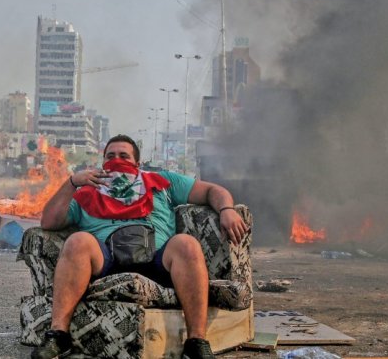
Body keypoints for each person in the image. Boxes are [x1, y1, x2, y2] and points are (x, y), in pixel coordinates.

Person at [32, 134, 248, 359]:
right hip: (106, 259)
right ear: (103, 161)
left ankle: (196, 341)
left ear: (137, 162)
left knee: (187, 244)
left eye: (124, 155)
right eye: (111, 156)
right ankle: (58, 337)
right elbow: (49, 221)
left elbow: (213, 191)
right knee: (77, 241)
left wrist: (227, 210)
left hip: (158, 258)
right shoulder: (88, 191)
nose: (117, 160)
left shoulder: (162, 182)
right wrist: (72, 183)